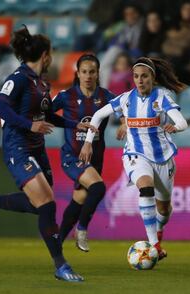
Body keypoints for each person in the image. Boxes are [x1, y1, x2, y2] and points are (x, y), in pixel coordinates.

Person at [0, 27, 88, 282]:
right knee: (47, 204)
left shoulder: (42, 83)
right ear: (45, 55)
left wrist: (73, 124)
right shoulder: (19, 78)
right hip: (18, 148)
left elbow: (45, 116)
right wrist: (29, 125)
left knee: (40, 206)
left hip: (37, 148)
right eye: (51, 54)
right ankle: (61, 266)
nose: (52, 58)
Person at [79, 57, 188, 260]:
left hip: (163, 158)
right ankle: (153, 245)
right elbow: (98, 115)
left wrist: (175, 127)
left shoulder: (162, 97)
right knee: (145, 188)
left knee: (163, 210)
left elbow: (182, 122)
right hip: (135, 155)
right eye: (136, 76)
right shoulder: (126, 98)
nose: (139, 80)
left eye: (144, 76)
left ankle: (158, 233)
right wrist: (88, 142)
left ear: (153, 78)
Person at [53, 54, 125, 252]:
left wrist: (125, 122)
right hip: (72, 156)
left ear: (97, 73)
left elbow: (125, 109)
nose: (88, 76)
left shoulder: (106, 96)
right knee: (98, 188)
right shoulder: (65, 96)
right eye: (84, 72)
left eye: (92, 72)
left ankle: (56, 245)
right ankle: (82, 229)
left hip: (95, 159)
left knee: (79, 199)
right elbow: (46, 114)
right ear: (77, 73)